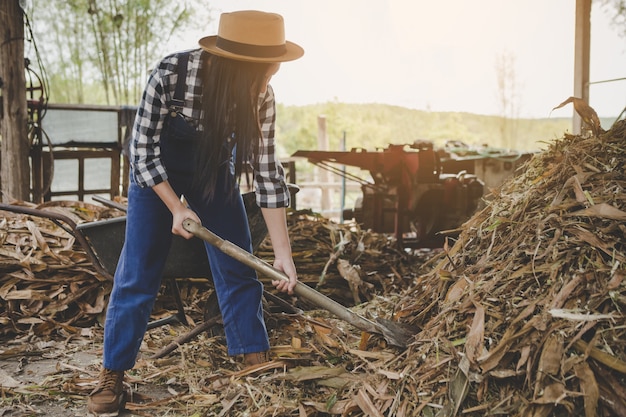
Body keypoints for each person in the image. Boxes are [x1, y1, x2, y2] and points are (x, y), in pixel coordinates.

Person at [87, 10, 303, 416]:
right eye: (266, 73)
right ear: (239, 67)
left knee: (239, 264)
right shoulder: (171, 74)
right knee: (137, 274)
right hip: (156, 177)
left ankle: (252, 357)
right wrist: (174, 205)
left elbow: (267, 173)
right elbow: (142, 151)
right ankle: (112, 373)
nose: (269, 81)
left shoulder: (260, 96)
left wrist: (283, 255)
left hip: (213, 175)